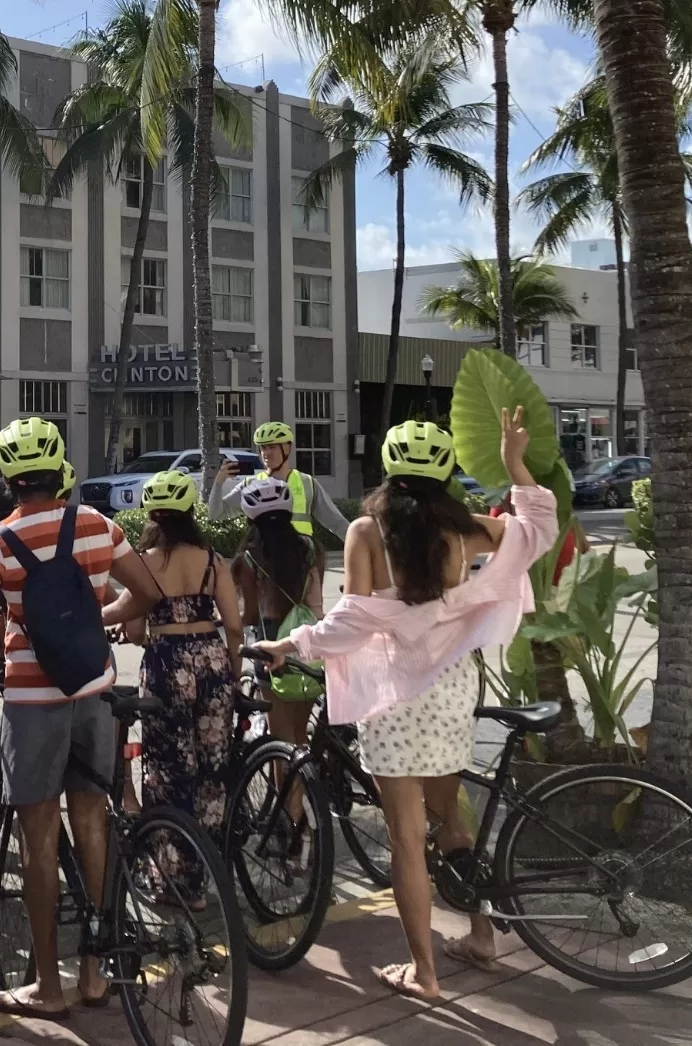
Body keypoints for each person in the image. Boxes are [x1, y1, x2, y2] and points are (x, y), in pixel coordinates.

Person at [251, 412, 554, 1001]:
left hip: (393, 698)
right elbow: (538, 528)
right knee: (450, 814)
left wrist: (290, 643)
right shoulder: (467, 530)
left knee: (406, 838)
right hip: (451, 689)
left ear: (388, 469)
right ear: (444, 473)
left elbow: (352, 621)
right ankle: (482, 932)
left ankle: (426, 973)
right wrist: (515, 463)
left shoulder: (367, 532)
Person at [0, 417, 161, 1021]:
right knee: (92, 824)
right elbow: (145, 594)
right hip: (95, 690)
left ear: (10, 477)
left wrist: (3, 628)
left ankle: (48, 985)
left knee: (38, 839)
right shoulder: (95, 525)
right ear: (60, 465)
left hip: (32, 702)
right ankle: (96, 972)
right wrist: (101, 615)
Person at [127, 469, 239, 842]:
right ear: (191, 512)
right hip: (212, 659)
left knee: (167, 764)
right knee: (212, 763)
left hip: (165, 663)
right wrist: (234, 672)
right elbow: (235, 627)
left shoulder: (143, 563)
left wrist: (151, 638)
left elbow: (133, 632)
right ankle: (210, 861)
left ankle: (175, 871)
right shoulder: (213, 561)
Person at [210, 420, 349, 627]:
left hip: (301, 559)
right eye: (263, 447)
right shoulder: (250, 485)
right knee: (265, 620)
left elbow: (336, 523)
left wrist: (360, 550)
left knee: (307, 619)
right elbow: (216, 513)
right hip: (264, 560)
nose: (266, 452)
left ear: (287, 448)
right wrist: (218, 482)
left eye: (273, 446)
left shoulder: (307, 483)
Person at [237, 474, 324, 752]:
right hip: (310, 644)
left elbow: (250, 616)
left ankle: (292, 797)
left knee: (281, 742)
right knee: (300, 735)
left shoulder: (249, 559)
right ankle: (310, 788)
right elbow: (315, 603)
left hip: (272, 647)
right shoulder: (311, 549)